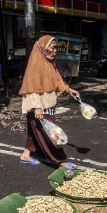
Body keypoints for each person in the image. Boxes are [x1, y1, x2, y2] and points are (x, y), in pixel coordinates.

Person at [19, 35, 80, 169]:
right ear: (43, 48)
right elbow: (32, 88)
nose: (55, 50)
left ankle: (26, 155)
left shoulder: (48, 64)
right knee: (50, 135)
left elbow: (57, 81)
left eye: (55, 47)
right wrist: (37, 108)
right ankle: (60, 160)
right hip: (40, 106)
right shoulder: (35, 65)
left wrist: (69, 90)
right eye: (52, 48)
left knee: (35, 131)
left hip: (48, 104)